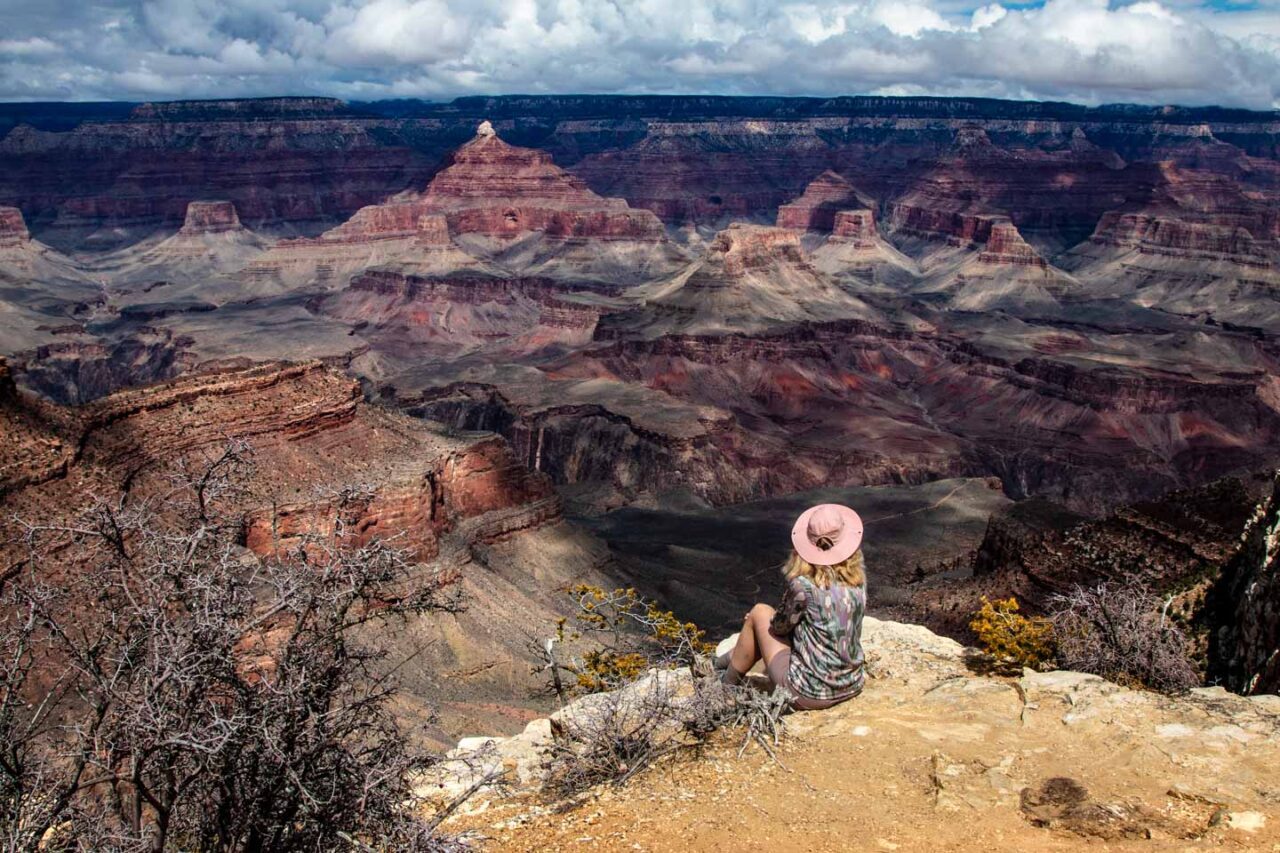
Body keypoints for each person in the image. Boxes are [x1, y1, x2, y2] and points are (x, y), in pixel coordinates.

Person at [717, 503, 867, 710]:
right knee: (760, 620)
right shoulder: (857, 580)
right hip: (851, 684)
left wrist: (760, 623)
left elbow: (779, 628)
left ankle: (724, 686)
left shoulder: (804, 587)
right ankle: (721, 663)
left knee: (759, 612)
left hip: (808, 693)